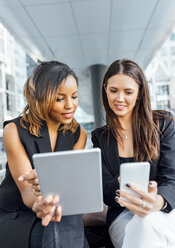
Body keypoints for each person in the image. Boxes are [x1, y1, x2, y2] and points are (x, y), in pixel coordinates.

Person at [0, 61, 88, 248]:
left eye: (74, 96)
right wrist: (40, 205)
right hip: (20, 217)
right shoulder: (13, 130)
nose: (70, 105)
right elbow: (26, 191)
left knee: (62, 213)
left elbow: (69, 188)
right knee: (61, 219)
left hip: (60, 212)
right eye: (59, 99)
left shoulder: (79, 135)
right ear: (41, 97)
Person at [91, 59, 175, 248]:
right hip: (123, 214)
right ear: (105, 89)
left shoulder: (164, 125)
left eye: (128, 92)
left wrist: (156, 202)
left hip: (165, 208)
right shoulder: (100, 137)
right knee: (143, 226)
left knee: (148, 223)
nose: (120, 98)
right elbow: (104, 189)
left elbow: (172, 178)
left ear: (139, 93)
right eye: (113, 91)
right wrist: (121, 184)